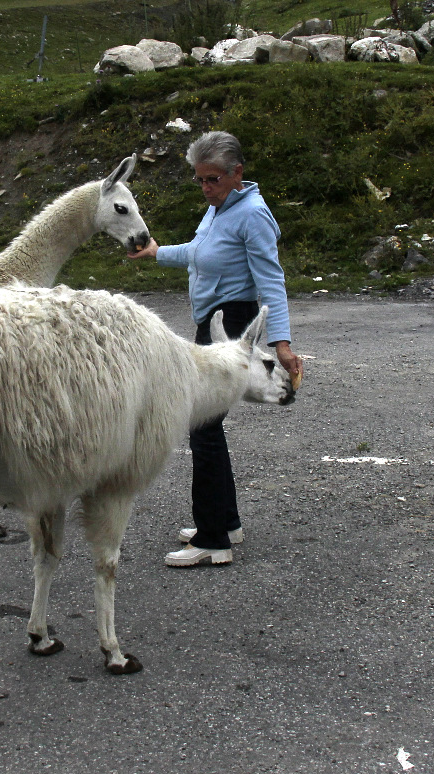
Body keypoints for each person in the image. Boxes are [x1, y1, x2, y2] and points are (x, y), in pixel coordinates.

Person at [129, 130, 303, 567]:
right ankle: (224, 521)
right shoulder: (219, 210)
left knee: (202, 426)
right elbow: (198, 251)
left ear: (236, 173)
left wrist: (280, 343)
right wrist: (156, 253)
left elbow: (272, 281)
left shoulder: (253, 216)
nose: (206, 188)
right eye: (200, 180)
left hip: (234, 322)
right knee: (207, 427)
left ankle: (213, 540)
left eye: (213, 179)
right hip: (213, 321)